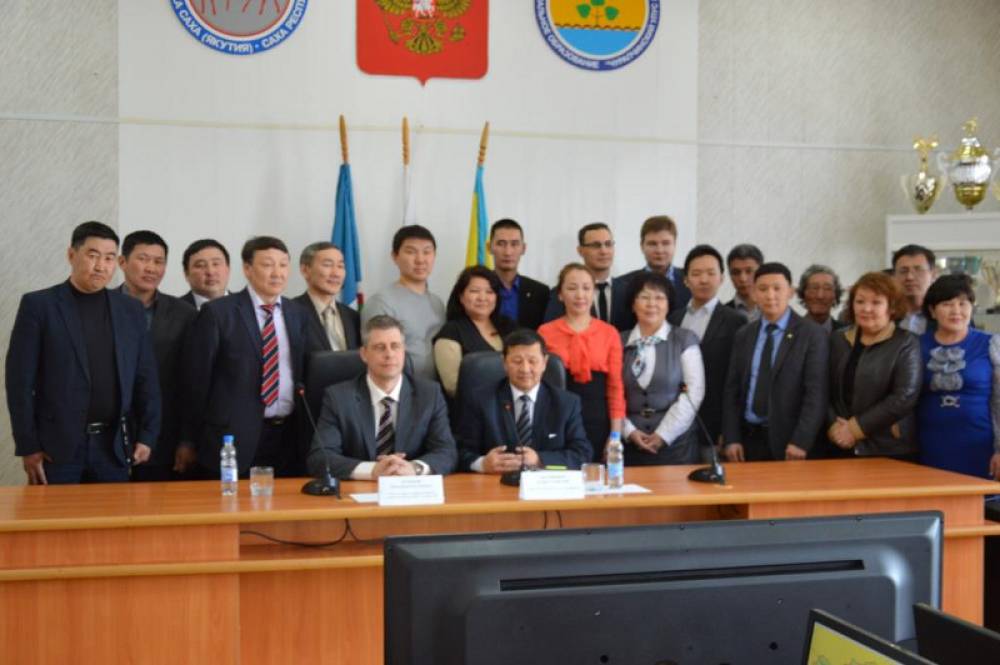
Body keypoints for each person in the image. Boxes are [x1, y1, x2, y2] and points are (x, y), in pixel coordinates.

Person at [5, 221, 161, 484]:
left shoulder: (130, 310)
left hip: (113, 446)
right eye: (93, 255)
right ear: (71, 255)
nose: (101, 266)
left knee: (113, 512)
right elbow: (19, 382)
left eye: (109, 258)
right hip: (56, 448)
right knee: (56, 512)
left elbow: (145, 377)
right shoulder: (40, 306)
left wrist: (147, 435)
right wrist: (28, 445)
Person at [182, 236, 307, 477]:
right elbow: (195, 384)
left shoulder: (297, 313)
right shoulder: (218, 313)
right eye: (267, 264)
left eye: (283, 265)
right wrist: (187, 439)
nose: (277, 273)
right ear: (247, 269)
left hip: (288, 435)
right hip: (234, 437)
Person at [307, 315, 458, 479]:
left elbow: (446, 452)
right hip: (359, 490)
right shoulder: (338, 398)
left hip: (411, 488)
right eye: (380, 347)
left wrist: (413, 468)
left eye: (395, 346)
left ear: (404, 351)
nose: (389, 354)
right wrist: (373, 470)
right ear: (364, 354)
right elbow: (320, 458)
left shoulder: (429, 394)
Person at [722, 262, 829, 462]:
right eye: (763, 289)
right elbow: (732, 390)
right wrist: (732, 438)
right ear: (754, 293)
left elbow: (816, 394)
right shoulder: (744, 334)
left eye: (777, 288)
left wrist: (801, 441)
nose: (770, 295)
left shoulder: (812, 334)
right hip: (748, 441)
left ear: (791, 292)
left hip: (791, 443)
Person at [118, 230, 198, 481]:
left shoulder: (185, 314)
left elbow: (191, 384)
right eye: (143, 259)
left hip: (165, 438)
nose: (151, 268)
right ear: (122, 262)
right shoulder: (102, 307)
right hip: (108, 438)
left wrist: (187, 440)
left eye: (158, 261)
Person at [457, 329, 592, 473]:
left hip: (546, 483)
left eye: (532, 361)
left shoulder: (566, 403)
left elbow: (582, 454)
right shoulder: (481, 400)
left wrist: (539, 459)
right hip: (495, 482)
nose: (525, 369)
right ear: (504, 363)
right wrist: (482, 464)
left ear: (544, 363)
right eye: (517, 361)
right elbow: (460, 451)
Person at [826, 272, 921, 460]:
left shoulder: (906, 342)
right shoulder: (838, 339)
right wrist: (833, 427)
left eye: (876, 302)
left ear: (891, 307)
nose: (866, 308)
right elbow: (823, 389)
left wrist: (855, 429)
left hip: (888, 447)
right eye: (860, 301)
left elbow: (904, 396)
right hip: (839, 443)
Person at [917, 274, 1000, 480]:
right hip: (927, 445)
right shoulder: (915, 346)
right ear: (932, 310)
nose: (956, 311)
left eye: (963, 303)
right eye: (947, 304)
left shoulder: (991, 344)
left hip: (981, 444)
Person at [539, 263, 625, 461]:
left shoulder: (609, 333)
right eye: (572, 288)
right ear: (560, 295)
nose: (580, 295)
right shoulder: (545, 332)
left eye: (586, 288)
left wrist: (615, 436)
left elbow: (616, 388)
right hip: (557, 419)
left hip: (598, 420)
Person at [621, 272, 705, 465]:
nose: (652, 304)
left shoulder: (685, 339)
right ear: (633, 304)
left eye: (659, 298)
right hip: (629, 446)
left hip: (676, 446)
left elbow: (694, 392)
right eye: (644, 297)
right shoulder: (617, 341)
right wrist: (629, 431)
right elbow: (611, 394)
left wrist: (663, 435)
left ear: (668, 304)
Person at [668, 245, 747, 448]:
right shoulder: (673, 319)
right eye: (696, 274)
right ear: (686, 280)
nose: (704, 280)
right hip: (675, 422)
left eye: (711, 273)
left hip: (715, 423)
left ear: (722, 278)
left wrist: (729, 432)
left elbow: (737, 383)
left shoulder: (736, 321)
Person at [361, 225, 445, 381]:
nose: (420, 260)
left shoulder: (438, 303)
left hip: (436, 389)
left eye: (427, 252)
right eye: (411, 252)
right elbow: (376, 355)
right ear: (395, 256)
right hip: (398, 388)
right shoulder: (382, 302)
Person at [433, 265, 516, 398]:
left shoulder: (508, 326)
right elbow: (453, 386)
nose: (482, 298)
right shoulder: (451, 332)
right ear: (461, 296)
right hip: (472, 407)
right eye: (475, 291)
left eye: (489, 292)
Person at [544, 222, 633, 330]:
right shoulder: (561, 293)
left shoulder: (630, 291)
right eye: (596, 245)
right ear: (580, 251)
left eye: (608, 244)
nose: (604, 251)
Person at [293, 241, 360, 353]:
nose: (336, 273)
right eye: (327, 265)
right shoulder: (291, 313)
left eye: (340, 266)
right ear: (305, 270)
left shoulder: (353, 317)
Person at [620, 215, 691, 313]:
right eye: (652, 244)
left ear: (674, 244)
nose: (659, 250)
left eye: (665, 243)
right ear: (642, 246)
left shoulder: (691, 281)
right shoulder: (623, 285)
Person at [489, 218, 551, 330]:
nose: (508, 252)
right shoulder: (477, 289)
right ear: (489, 247)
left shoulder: (540, 292)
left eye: (514, 244)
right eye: (501, 244)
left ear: (523, 248)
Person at [892, 244, 938, 335]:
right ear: (894, 276)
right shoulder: (886, 315)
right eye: (903, 271)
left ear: (933, 275)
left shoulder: (943, 315)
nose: (910, 277)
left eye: (918, 270)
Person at [179, 238, 231, 310]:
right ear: (186, 274)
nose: (210, 272)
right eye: (200, 265)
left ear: (228, 269)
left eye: (216, 264)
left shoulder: (246, 306)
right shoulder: (173, 311)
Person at [797, 264, 847, 334]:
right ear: (803, 293)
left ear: (835, 295)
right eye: (814, 288)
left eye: (827, 289)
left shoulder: (848, 334)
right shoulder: (790, 333)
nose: (820, 296)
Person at [725, 243, 764, 321]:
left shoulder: (777, 312)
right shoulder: (720, 315)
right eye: (736, 272)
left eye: (749, 271)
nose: (743, 279)